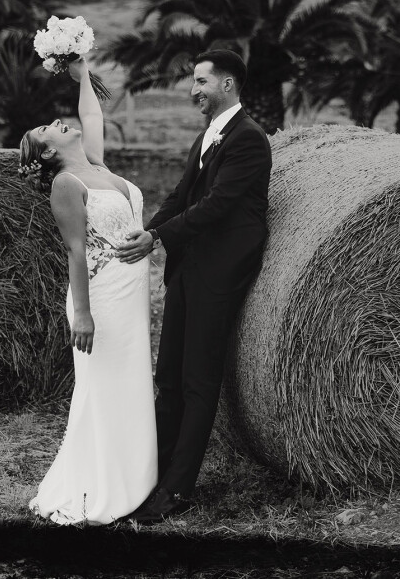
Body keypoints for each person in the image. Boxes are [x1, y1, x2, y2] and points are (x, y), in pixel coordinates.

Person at [115, 48, 272, 524]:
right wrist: (148, 230)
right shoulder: (207, 136)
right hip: (188, 267)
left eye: (201, 82)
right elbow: (183, 196)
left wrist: (160, 236)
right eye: (193, 82)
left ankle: (178, 490)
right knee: (168, 379)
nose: (193, 90)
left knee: (199, 382)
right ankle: (153, 476)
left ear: (227, 84)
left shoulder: (248, 139)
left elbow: (220, 205)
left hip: (221, 271)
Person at [18, 54, 157, 525]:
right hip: (100, 300)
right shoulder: (65, 183)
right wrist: (82, 315)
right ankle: (101, 486)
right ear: (49, 152)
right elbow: (76, 253)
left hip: (131, 294)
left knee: (132, 382)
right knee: (104, 388)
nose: (57, 123)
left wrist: (83, 69)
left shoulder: (96, 164)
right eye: (46, 129)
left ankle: (139, 480)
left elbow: (91, 113)